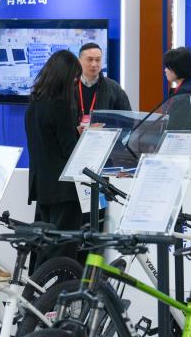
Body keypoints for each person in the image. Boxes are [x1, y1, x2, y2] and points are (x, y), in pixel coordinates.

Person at [25, 50, 82, 265]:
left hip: (42, 186)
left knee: (43, 245)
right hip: (64, 189)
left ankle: (37, 285)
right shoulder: (61, 105)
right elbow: (70, 150)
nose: (75, 84)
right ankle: (60, 286)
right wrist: (82, 136)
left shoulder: (34, 104)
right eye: (74, 78)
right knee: (62, 250)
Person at [75, 42, 131, 131]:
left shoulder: (113, 88)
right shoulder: (69, 87)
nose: (94, 64)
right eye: (89, 59)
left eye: (98, 60)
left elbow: (127, 121)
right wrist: (74, 131)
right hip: (74, 139)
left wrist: (104, 128)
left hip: (104, 138)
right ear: (79, 61)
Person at [162, 46, 191, 131]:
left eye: (168, 67)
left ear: (177, 68)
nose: (165, 70)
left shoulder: (184, 94)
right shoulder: (186, 87)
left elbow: (174, 126)